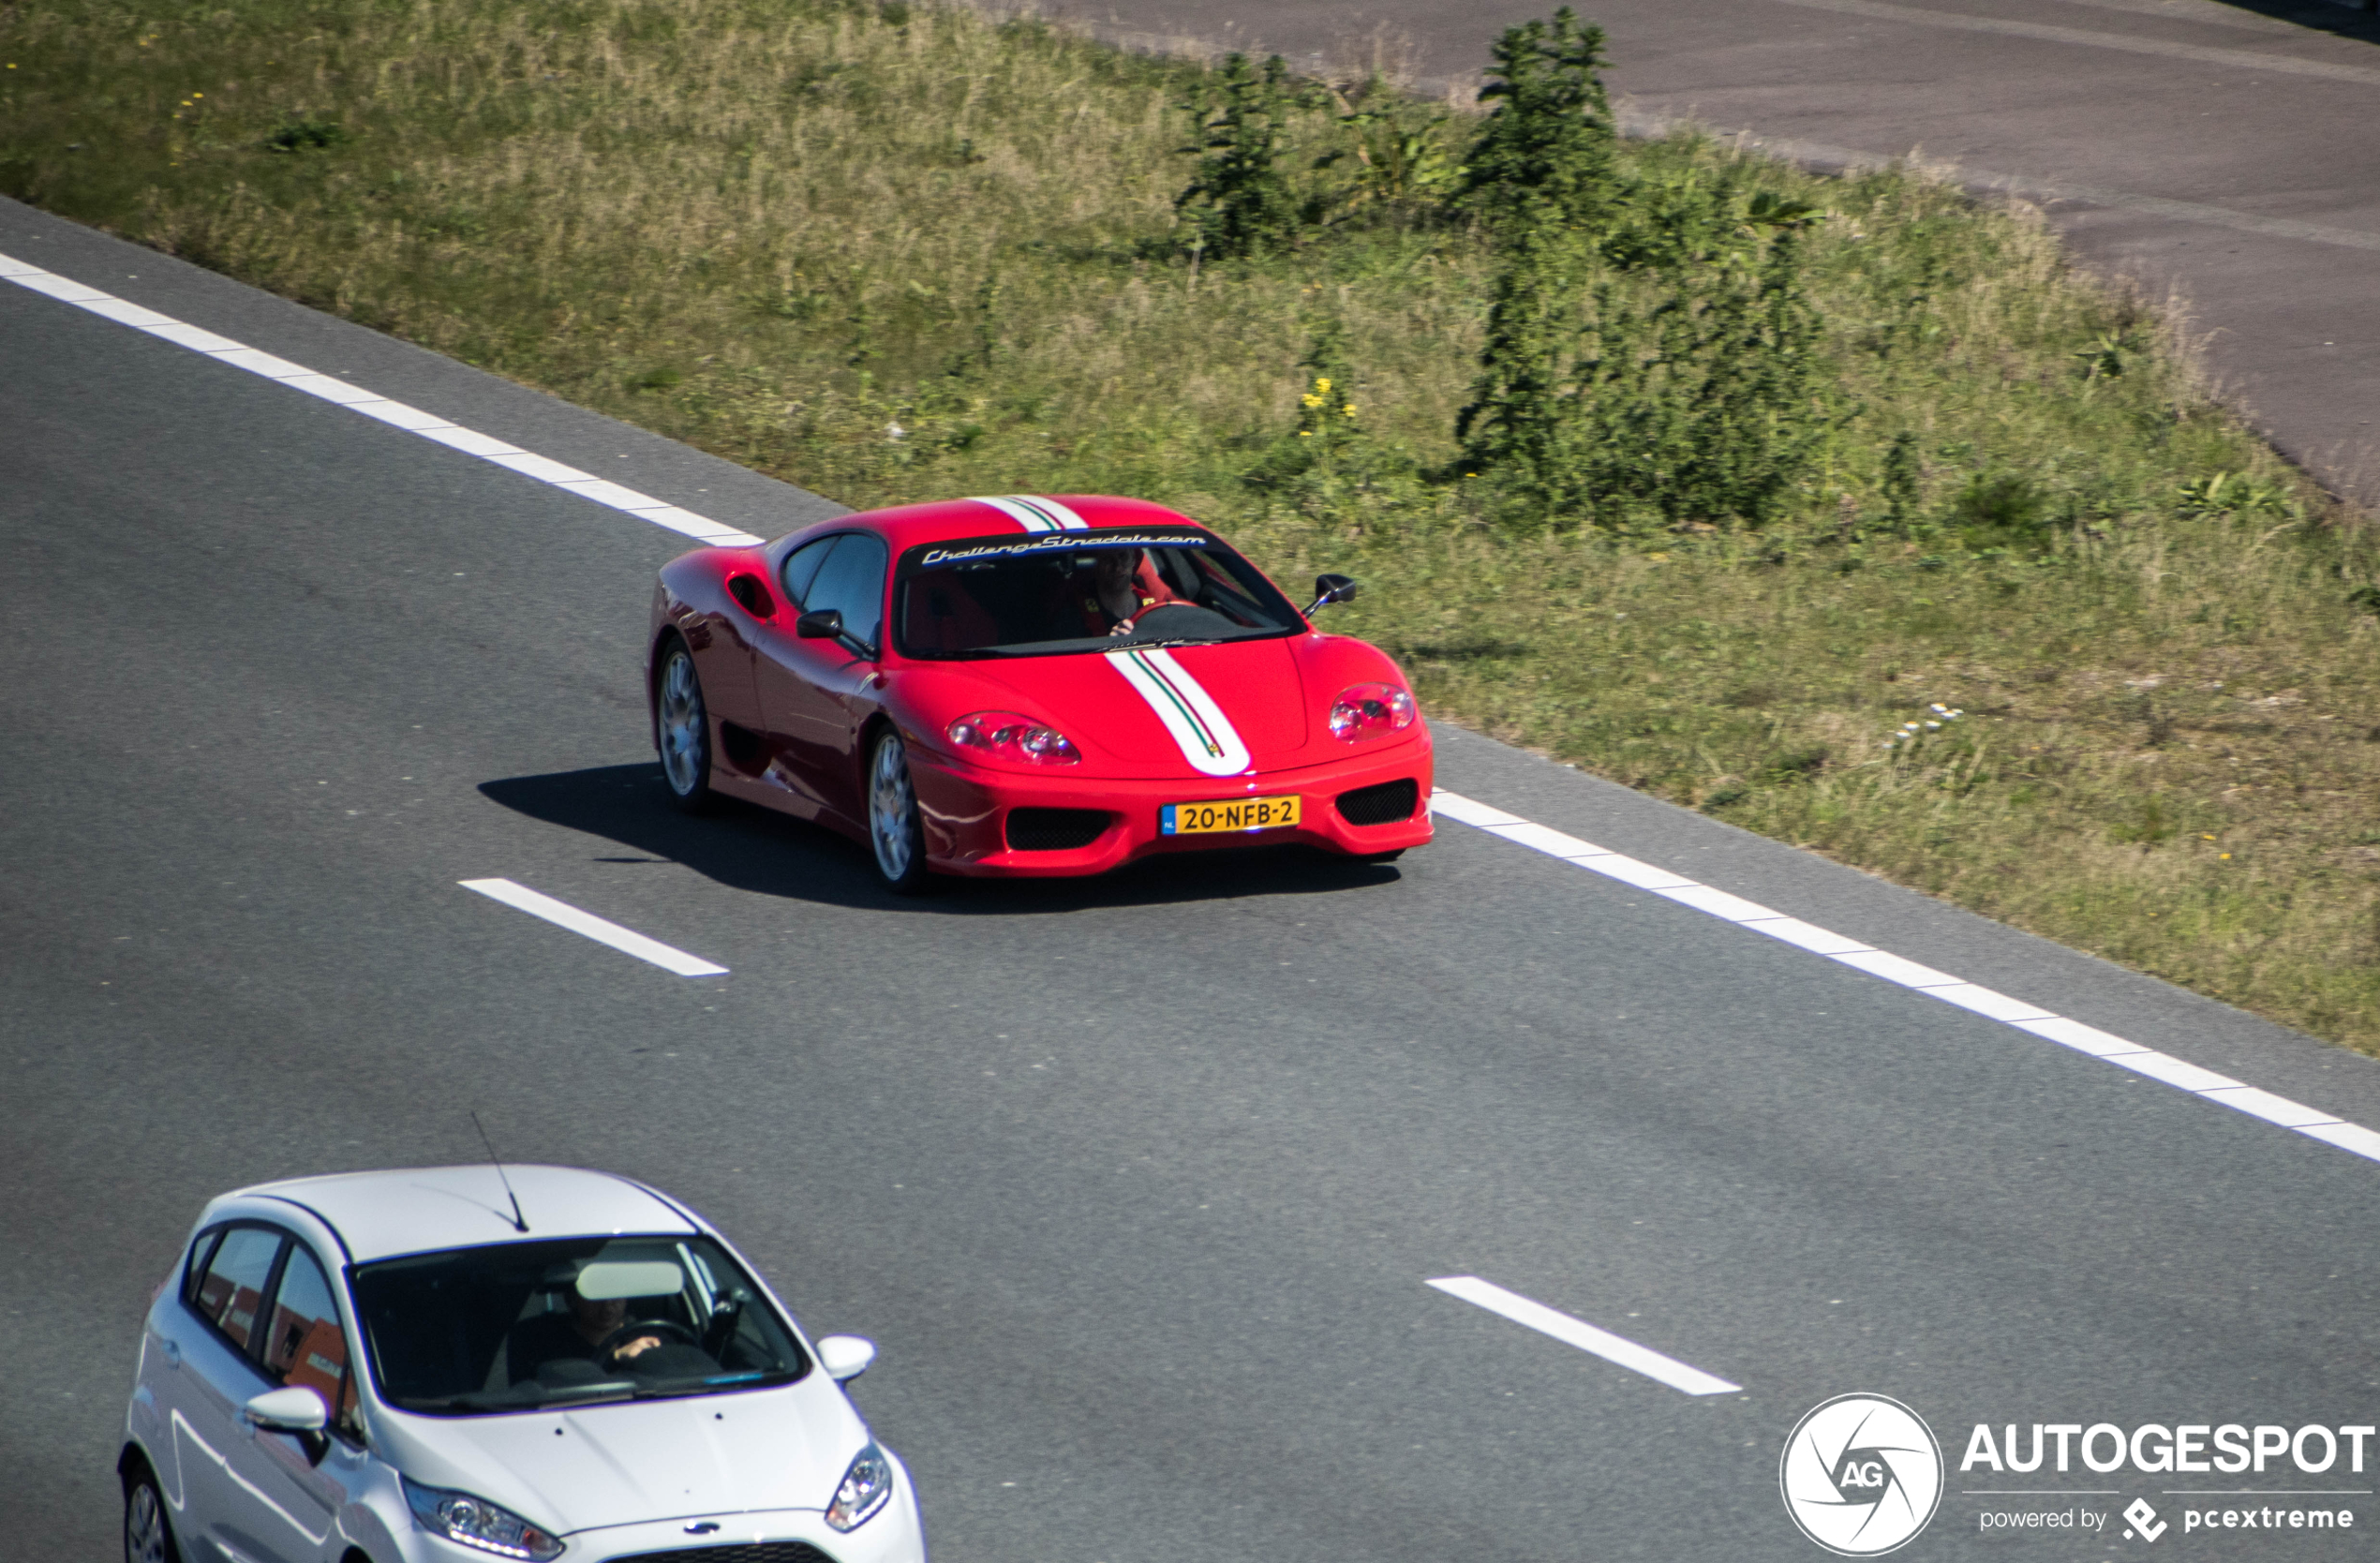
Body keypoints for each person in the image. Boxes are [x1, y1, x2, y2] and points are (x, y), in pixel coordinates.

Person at [505, 1278, 665, 1383]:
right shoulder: (545, 1342)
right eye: (596, 1295)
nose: (608, 1304)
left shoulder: (651, 1335)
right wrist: (615, 1357)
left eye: (616, 1294)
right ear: (573, 1299)